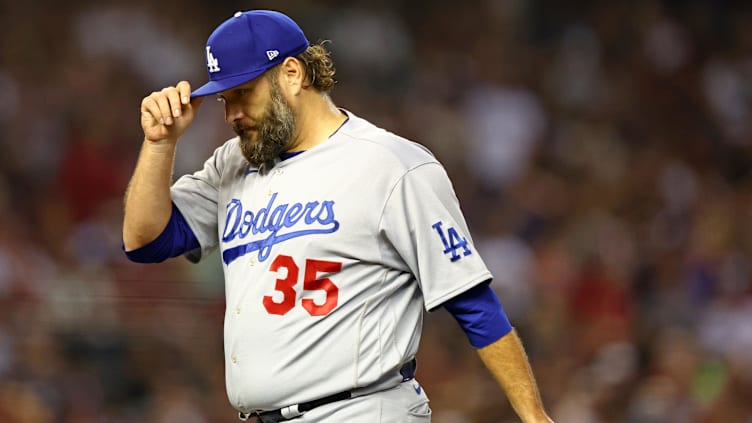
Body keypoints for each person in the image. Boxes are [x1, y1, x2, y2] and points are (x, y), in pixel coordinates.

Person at [122, 9, 553, 423]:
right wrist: (159, 145)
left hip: (361, 410)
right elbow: (147, 242)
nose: (232, 113)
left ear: (292, 74)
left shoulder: (390, 164)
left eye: (243, 93)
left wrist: (533, 414)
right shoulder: (232, 164)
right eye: (224, 98)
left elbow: (472, 301)